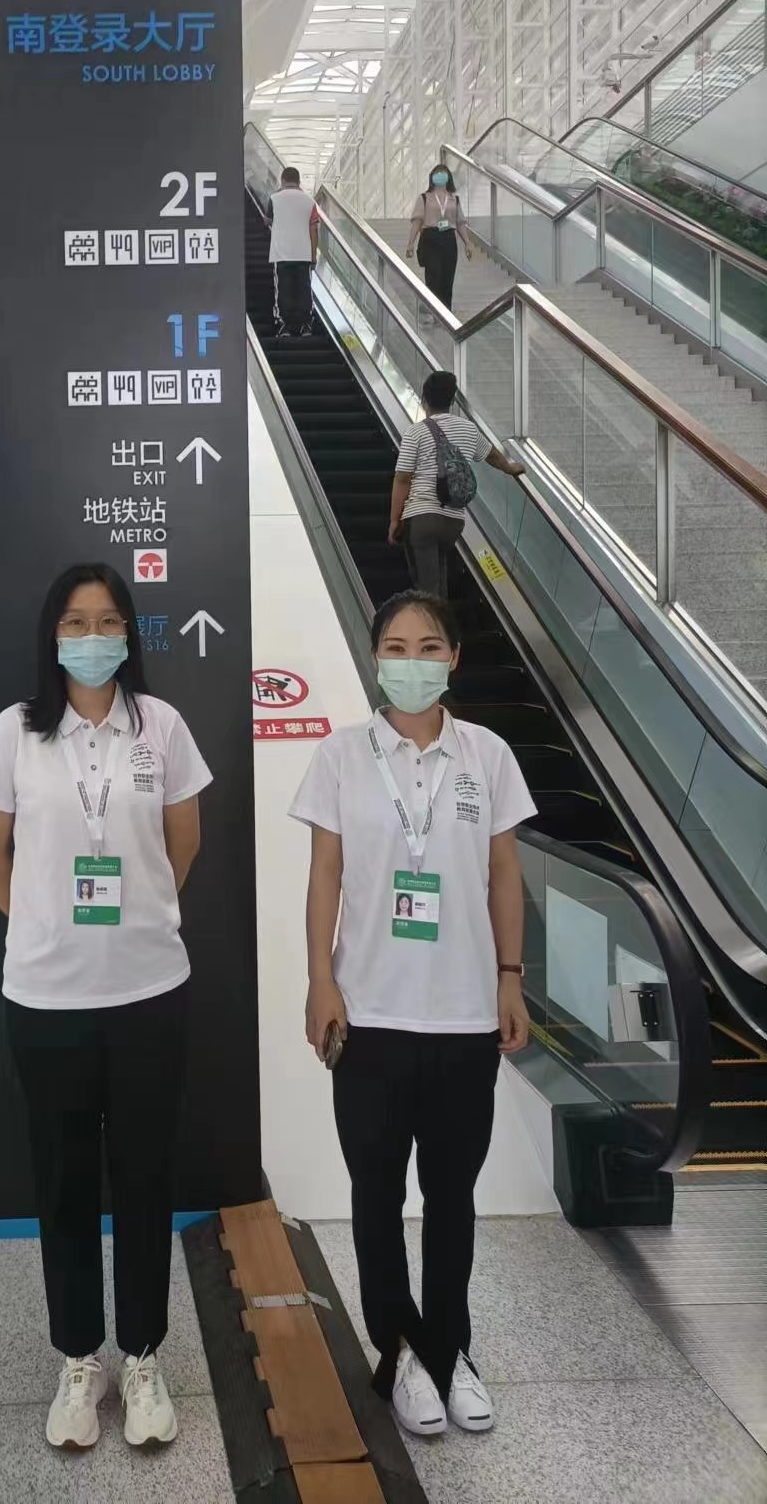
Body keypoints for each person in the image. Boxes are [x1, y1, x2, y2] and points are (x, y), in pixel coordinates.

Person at [0, 562, 211, 1454]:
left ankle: (142, 1357)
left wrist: (137, 916)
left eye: (109, 621)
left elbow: (184, 842)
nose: (93, 636)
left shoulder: (162, 727)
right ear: (53, 635)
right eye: (76, 622)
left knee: (145, 1178)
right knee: (64, 1182)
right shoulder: (14, 732)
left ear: (128, 634)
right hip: (47, 997)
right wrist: (41, 923)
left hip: (148, 991)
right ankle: (80, 1359)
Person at [289, 590, 535, 1442]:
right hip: (369, 1019)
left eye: (429, 646)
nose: (412, 661)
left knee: (452, 1197)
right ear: (375, 658)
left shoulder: (488, 756)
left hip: (465, 1019)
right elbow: (325, 875)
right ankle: (398, 1352)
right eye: (395, 646)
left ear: (454, 658)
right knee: (376, 1193)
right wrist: (320, 982)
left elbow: (505, 875)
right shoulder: (341, 756)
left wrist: (511, 979)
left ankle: (450, 1350)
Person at [390, 370, 525, 598]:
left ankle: (435, 620)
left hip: (422, 516)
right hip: (453, 521)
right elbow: (491, 455)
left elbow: (402, 479)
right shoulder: (468, 429)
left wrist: (395, 520)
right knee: (437, 583)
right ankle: (442, 617)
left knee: (426, 590)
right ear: (452, 401)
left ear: (424, 399)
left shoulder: (415, 432)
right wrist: (510, 469)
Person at [405, 163, 471, 310]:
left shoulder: (454, 199)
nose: (440, 176)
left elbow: (460, 223)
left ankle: (446, 312)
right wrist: (410, 243)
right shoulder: (425, 198)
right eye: (437, 173)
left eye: (443, 173)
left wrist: (467, 243)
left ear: (448, 178)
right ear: (432, 177)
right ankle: (434, 311)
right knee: (433, 277)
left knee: (447, 278)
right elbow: (417, 221)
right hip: (430, 238)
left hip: (448, 239)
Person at [267, 165, 321, 336]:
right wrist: (313, 255)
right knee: (304, 289)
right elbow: (314, 229)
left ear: (282, 180)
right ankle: (306, 325)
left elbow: (267, 220)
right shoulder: (310, 201)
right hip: (303, 254)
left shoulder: (274, 199)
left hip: (281, 253)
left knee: (283, 290)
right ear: (299, 181)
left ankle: (283, 325)